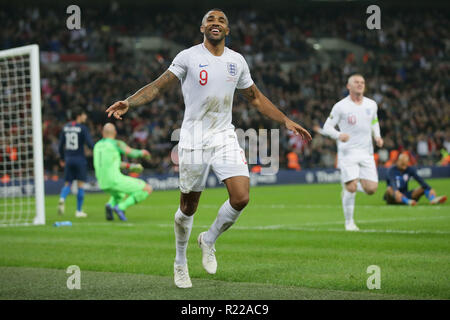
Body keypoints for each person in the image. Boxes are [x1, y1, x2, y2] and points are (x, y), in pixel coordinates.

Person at [105, 8, 311, 288]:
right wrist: (130, 101)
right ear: (202, 29)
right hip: (192, 138)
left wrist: (285, 119)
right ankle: (180, 262)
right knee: (188, 207)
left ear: (228, 30)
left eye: (221, 21)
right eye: (210, 20)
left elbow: (255, 98)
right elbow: (158, 87)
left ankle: (209, 238)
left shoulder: (236, 61)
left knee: (241, 197)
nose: (216, 23)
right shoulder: (188, 57)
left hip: (224, 135)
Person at [320, 74, 383, 231]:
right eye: (356, 82)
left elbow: (374, 121)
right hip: (347, 153)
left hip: (366, 152)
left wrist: (378, 136)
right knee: (352, 187)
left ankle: (350, 185)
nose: (360, 84)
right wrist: (338, 135)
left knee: (371, 189)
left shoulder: (371, 104)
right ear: (349, 86)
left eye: (362, 82)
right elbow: (327, 127)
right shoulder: (341, 106)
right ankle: (349, 222)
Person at [93, 123, 153, 221]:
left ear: (103, 133)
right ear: (115, 133)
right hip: (114, 180)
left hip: (102, 182)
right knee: (147, 188)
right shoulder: (116, 143)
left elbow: (112, 162)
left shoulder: (97, 145)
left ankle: (110, 205)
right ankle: (121, 208)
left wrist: (129, 166)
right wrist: (143, 152)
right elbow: (132, 153)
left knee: (120, 194)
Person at [57, 108, 94, 218]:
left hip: (68, 159)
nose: (85, 117)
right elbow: (90, 144)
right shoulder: (83, 128)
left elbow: (60, 146)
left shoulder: (66, 127)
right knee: (80, 185)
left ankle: (62, 198)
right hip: (79, 159)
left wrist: (62, 158)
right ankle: (78, 211)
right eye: (84, 114)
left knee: (68, 183)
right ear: (79, 115)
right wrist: (97, 150)